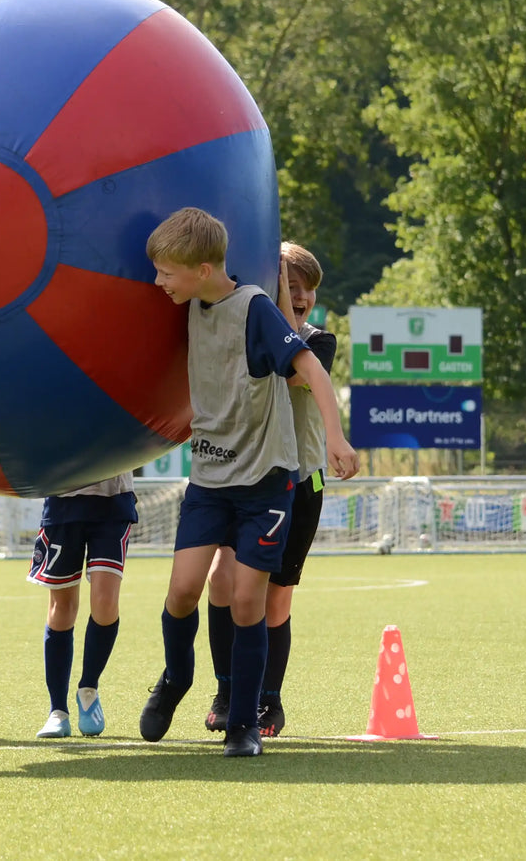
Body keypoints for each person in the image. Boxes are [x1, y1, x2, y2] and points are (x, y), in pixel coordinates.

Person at [139, 208, 359, 758]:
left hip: (266, 484)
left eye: (167, 272)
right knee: (183, 590)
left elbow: (310, 369)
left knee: (245, 600)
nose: (158, 282)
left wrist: (337, 438)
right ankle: (175, 679)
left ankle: (244, 723)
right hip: (210, 480)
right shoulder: (187, 304)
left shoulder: (256, 309)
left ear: (205, 268)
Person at [202, 241, 335, 738]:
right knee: (222, 581)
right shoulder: (244, 334)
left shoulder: (320, 342)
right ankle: (226, 690)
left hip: (302, 485)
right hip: (250, 481)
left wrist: (280, 310)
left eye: (306, 289)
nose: (298, 296)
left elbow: (292, 371)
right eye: (288, 285)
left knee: (276, 601)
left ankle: (269, 702)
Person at [26, 472, 138, 738]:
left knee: (105, 602)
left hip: (113, 499)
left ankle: (88, 689)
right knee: (61, 607)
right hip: (63, 499)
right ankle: (57, 711)